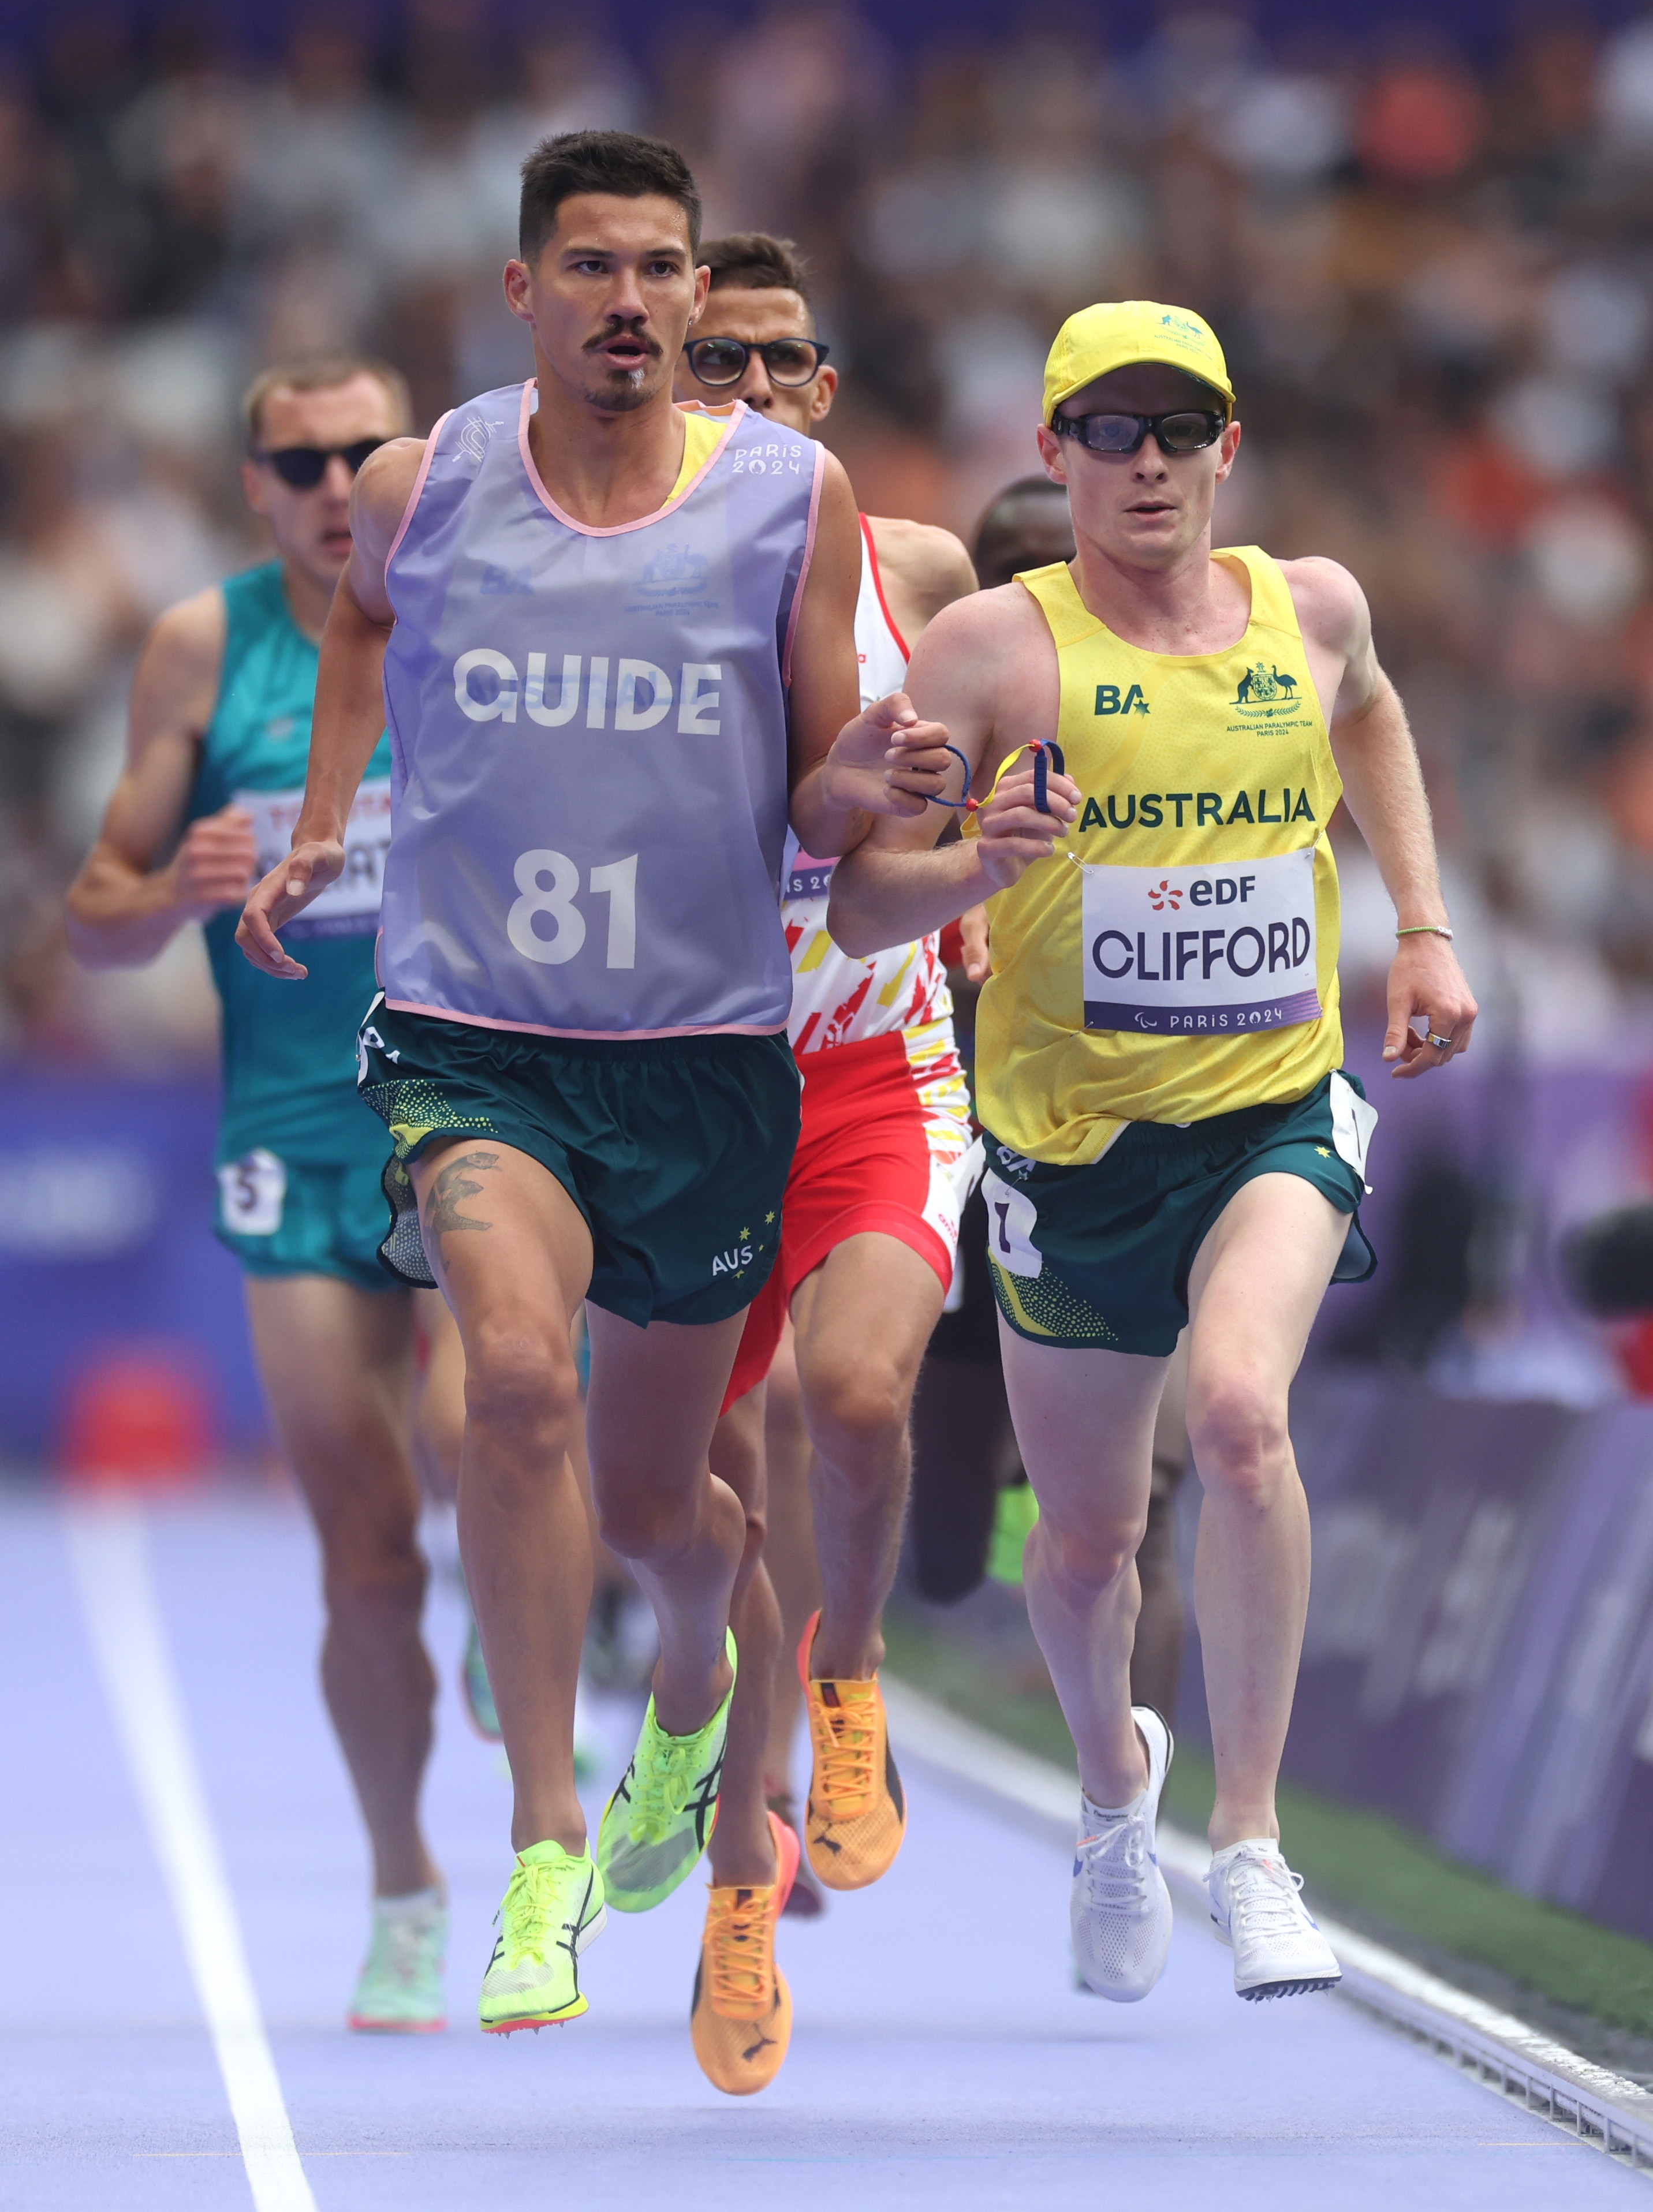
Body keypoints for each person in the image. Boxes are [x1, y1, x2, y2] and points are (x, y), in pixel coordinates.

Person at [234, 133, 954, 2053]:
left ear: (692, 294)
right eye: (593, 264)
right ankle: (546, 1838)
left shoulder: (789, 498)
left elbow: (809, 796)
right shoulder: (428, 479)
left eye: (660, 267)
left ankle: (704, 1692)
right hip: (479, 1040)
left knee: (661, 1495)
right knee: (517, 1379)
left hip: (704, 1060)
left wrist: (867, 792)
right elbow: (366, 629)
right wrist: (329, 821)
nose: (629, 297)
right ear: (523, 292)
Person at [828, 301, 1477, 2005]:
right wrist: (977, 863)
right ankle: (1117, 1796)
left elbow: (1378, 713)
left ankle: (1249, 1843)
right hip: (1068, 1145)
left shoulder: (1310, 605)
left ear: (1225, 450)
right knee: (1089, 1542)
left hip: (1269, 1109)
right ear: (1053, 452)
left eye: (1177, 430)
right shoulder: (988, 648)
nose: (1146, 462)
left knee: (1248, 1419)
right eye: (1107, 431)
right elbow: (857, 895)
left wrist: (1423, 925)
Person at [65, 354, 467, 2033]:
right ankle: (400, 1881)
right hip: (293, 1126)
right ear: (254, 485)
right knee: (365, 1552)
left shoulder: (477, 607)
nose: (331, 480)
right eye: (298, 458)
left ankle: (554, 1646)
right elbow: (91, 908)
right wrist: (172, 886)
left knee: (489, 1417)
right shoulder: (199, 647)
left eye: (363, 450)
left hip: (475, 1095)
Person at [669, 231, 977, 2090]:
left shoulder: (924, 570)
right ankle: (735, 1881)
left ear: (829, 391)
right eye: (724, 363)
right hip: (690, 1096)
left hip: (873, 1066)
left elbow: (1026, 737)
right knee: (709, 1535)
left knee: (858, 1399)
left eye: (788, 364)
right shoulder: (609, 589)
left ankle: (849, 1676)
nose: (761, 395)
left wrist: (997, 890)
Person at [915, 474, 1193, 1724]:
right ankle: (1001, 1525)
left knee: (1150, 1490)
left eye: (1058, 556)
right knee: (944, 1535)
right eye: (1014, 562)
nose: (1043, 579)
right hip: (966, 1125)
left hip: (1128, 1123)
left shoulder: (1168, 708)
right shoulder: (935, 725)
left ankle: (1135, 1781)